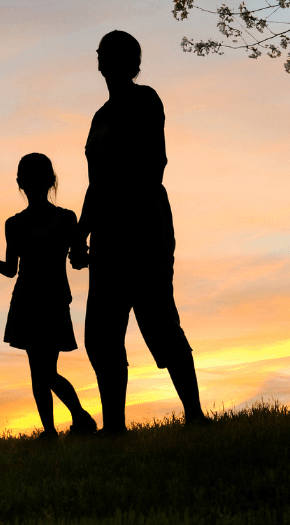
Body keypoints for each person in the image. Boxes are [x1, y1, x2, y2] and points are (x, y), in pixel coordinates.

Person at [70, 30, 210, 435]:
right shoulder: (99, 117)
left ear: (131, 62)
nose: (104, 60)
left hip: (144, 225)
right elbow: (95, 183)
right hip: (108, 233)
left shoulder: (145, 100)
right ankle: (114, 425)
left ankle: (195, 414)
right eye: (102, 53)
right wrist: (81, 234)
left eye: (113, 54)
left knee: (158, 320)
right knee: (101, 334)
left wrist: (123, 208)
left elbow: (154, 163)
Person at [0, 154, 97, 440]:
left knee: (42, 371)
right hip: (39, 301)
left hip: (40, 301)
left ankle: (70, 421)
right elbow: (76, 258)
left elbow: (10, 270)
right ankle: (61, 425)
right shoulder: (62, 219)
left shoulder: (22, 223)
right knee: (44, 370)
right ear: (51, 181)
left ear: (20, 183)